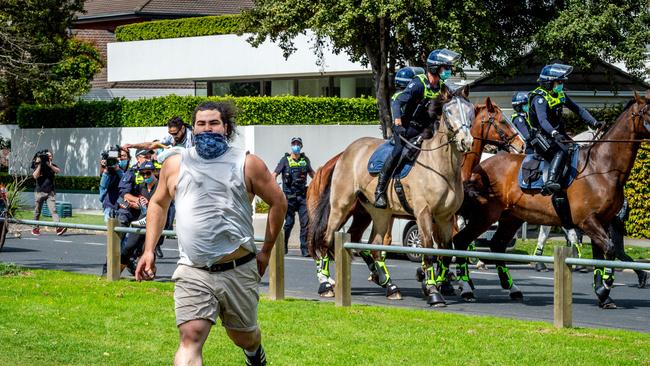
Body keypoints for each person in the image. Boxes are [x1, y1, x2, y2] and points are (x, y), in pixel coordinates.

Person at [135, 101, 287, 366]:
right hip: (194, 269)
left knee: (243, 336)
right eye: (201, 124)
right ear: (192, 128)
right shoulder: (175, 164)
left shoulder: (248, 163)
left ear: (226, 127)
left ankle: (254, 352)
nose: (207, 129)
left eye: (214, 123)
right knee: (190, 336)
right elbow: (158, 204)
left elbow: (279, 203)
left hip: (238, 269)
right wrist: (148, 250)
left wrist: (266, 252)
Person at [375, 48, 460, 208]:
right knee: (399, 152)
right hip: (407, 128)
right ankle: (380, 190)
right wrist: (398, 124)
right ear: (435, 68)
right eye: (445, 68)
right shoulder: (418, 84)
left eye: (449, 68)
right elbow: (397, 102)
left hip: (428, 130)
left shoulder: (443, 87)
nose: (448, 71)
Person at [527, 63, 603, 195]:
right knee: (561, 151)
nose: (561, 84)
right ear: (548, 83)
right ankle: (549, 183)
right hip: (540, 136)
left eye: (562, 82)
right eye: (559, 82)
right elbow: (542, 120)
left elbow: (578, 110)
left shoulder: (560, 94)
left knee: (575, 149)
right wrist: (554, 132)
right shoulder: (539, 98)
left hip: (555, 134)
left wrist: (595, 122)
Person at [272, 137, 315, 256]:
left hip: (302, 197)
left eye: (298, 144)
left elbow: (312, 174)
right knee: (289, 223)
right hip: (289, 198)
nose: (296, 145)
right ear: (291, 145)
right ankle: (283, 245)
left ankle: (305, 250)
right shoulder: (284, 160)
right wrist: (274, 190)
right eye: (294, 143)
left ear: (301, 146)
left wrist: (319, 184)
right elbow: (274, 175)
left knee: (305, 223)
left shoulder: (305, 160)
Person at [120, 161, 163, 274]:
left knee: (148, 250)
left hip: (155, 224)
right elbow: (126, 195)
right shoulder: (140, 187)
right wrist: (137, 201)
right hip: (141, 222)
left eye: (148, 173)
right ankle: (114, 273)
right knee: (128, 247)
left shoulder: (161, 187)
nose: (145, 176)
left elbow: (165, 205)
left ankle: (150, 273)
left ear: (154, 172)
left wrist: (149, 204)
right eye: (142, 174)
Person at [608, 198, 647, 288]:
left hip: (616, 228)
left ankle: (641, 273)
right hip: (611, 227)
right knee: (610, 253)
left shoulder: (621, 199)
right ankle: (609, 279)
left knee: (619, 254)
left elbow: (620, 217)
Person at [31, 149, 66, 236]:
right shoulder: (38, 165)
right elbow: (35, 176)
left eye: (51, 156)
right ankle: (35, 228)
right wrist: (40, 165)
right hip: (39, 192)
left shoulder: (52, 165)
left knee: (53, 210)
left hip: (50, 192)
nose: (49, 157)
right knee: (37, 211)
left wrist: (50, 166)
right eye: (48, 156)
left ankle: (58, 228)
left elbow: (58, 171)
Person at [122, 116, 194, 151]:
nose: (173, 136)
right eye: (170, 133)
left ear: (183, 128)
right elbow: (151, 145)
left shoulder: (193, 136)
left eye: (175, 133)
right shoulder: (171, 137)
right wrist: (132, 145)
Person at [99, 147, 130, 222]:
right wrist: (105, 169)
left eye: (124, 156)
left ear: (128, 158)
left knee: (123, 229)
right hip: (110, 204)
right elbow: (103, 186)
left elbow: (126, 181)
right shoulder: (108, 170)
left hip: (124, 204)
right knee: (111, 230)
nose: (121, 158)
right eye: (119, 156)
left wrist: (118, 170)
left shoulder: (130, 171)